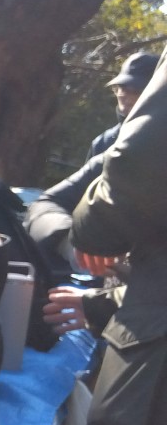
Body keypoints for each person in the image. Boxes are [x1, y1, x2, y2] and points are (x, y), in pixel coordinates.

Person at [71, 47, 167, 425]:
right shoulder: (103, 141)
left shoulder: (124, 146)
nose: (126, 99)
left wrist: (88, 225)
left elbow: (126, 186)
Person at [26, 51, 158, 283]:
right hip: (104, 290)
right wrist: (73, 243)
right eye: (122, 88)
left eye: (136, 90)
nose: (125, 95)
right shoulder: (109, 148)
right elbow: (49, 204)